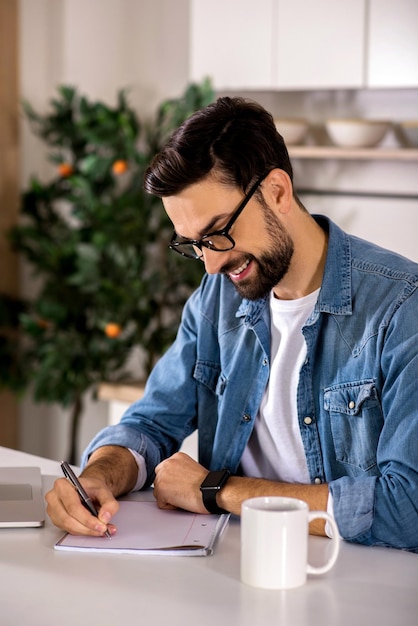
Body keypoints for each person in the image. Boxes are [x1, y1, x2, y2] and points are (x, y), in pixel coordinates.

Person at [46, 97, 418, 551]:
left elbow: (409, 508)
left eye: (220, 231)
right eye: (195, 245)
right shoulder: (216, 300)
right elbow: (150, 423)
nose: (212, 265)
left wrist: (218, 490)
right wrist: (99, 475)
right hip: (232, 572)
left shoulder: (402, 309)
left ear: (278, 191)